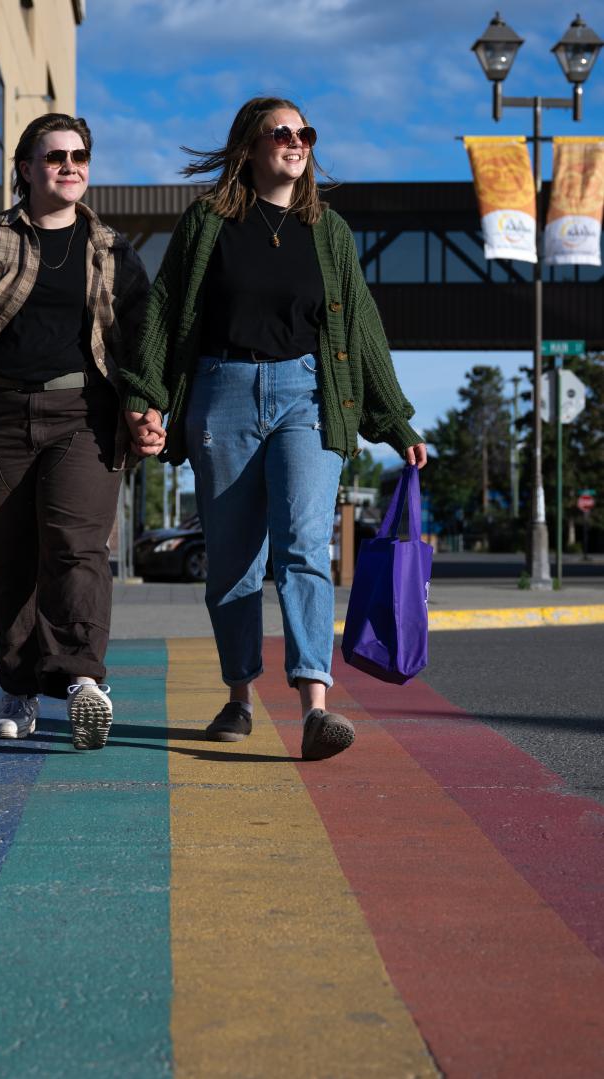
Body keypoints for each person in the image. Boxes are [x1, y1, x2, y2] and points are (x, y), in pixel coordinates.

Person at [123, 97, 427, 761]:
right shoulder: (209, 223)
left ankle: (316, 704)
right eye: (281, 132)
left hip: (306, 396)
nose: (296, 142)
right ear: (250, 147)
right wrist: (145, 394)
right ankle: (238, 695)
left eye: (305, 133)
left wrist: (394, 417)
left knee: (304, 545)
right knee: (233, 561)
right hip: (220, 392)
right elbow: (164, 309)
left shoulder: (330, 231)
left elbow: (363, 327)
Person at [0, 113, 151, 747]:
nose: (70, 167)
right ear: (25, 168)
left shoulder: (113, 251)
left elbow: (147, 342)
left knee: (75, 547)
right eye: (55, 157)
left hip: (83, 417)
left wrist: (150, 408)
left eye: (80, 157)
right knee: (8, 561)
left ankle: (82, 679)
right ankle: (18, 685)